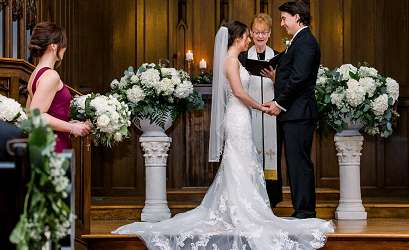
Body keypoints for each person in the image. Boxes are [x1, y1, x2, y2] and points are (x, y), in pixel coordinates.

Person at [113, 21, 333, 250]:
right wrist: (261, 107)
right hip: (238, 118)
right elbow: (238, 92)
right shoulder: (230, 60)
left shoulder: (235, 59)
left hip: (242, 118)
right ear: (237, 38)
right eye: (247, 37)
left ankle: (241, 207)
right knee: (237, 163)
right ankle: (240, 211)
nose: (249, 40)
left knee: (242, 164)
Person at [263, 1, 321, 219]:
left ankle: (305, 211)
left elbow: (299, 79)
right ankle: (302, 209)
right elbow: (294, 76)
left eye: (284, 18)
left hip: (299, 114)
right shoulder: (298, 41)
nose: (282, 23)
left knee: (299, 163)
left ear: (297, 17)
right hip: (294, 113)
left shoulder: (305, 42)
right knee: (295, 163)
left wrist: (278, 103)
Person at [238, 13, 282, 208]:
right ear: (251, 33)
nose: (260, 36)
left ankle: (271, 200)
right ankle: (253, 199)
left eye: (264, 32)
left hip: (273, 114)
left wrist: (275, 78)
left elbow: (287, 88)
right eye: (256, 32)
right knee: (250, 155)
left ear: (270, 33)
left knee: (273, 155)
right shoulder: (244, 57)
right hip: (251, 111)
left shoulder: (279, 57)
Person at [26, 22, 90, 152]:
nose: (65, 48)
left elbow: (29, 113)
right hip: (54, 146)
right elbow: (35, 116)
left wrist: (68, 124)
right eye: (63, 44)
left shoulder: (35, 74)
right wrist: (72, 128)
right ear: (54, 46)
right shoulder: (51, 75)